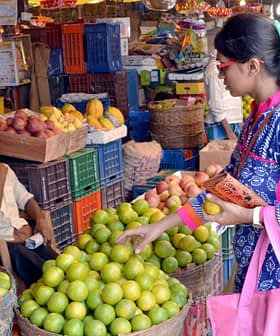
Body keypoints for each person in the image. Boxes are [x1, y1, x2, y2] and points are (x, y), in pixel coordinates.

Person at [118, 13, 280, 293]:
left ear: (252, 66)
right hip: (255, 278)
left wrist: (249, 217)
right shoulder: (257, 118)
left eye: (223, 66)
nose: (219, 76)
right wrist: (161, 226)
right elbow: (222, 192)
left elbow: (249, 210)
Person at [0, 163, 58, 287]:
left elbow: (26, 200)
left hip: (25, 236)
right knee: (28, 260)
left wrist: (40, 219)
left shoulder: (5, 170)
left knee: (54, 261)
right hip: (4, 244)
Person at [204, 48, 243, 141]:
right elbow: (215, 103)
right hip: (221, 125)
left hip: (233, 122)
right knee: (222, 155)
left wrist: (240, 122)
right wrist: (229, 132)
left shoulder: (229, 66)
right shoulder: (213, 70)